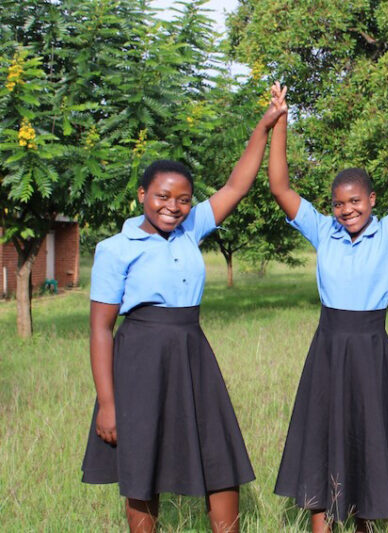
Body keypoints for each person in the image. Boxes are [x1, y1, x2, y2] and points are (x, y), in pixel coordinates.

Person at [82, 84, 289, 533]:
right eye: (162, 197)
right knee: (142, 464)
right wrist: (107, 403)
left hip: (193, 354)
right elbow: (100, 328)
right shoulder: (115, 249)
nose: (172, 207)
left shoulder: (190, 230)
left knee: (219, 454)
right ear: (142, 195)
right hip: (139, 360)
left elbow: (238, 183)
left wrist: (267, 124)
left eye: (182, 199)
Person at [269, 81, 388, 532]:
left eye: (355, 201)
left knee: (368, 440)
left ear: (372, 201)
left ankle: (365, 521)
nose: (346, 211)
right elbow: (279, 185)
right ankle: (322, 522)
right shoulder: (324, 231)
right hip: (329, 348)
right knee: (325, 438)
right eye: (339, 204)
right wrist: (280, 121)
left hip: (371, 349)